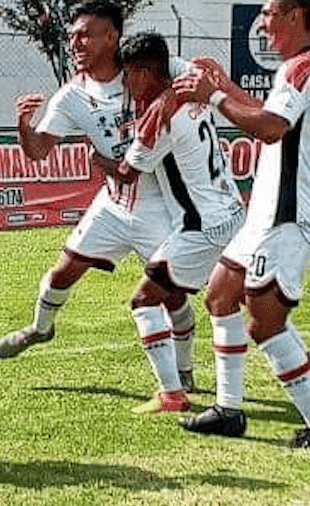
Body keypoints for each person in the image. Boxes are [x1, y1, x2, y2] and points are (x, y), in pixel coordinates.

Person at [0, 1, 195, 403]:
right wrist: (23, 126)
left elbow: (199, 79)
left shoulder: (148, 67)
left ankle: (184, 371)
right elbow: (38, 151)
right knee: (63, 271)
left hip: (160, 205)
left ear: (111, 37)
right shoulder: (71, 96)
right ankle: (40, 328)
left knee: (171, 295)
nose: (75, 42)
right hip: (114, 203)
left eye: (85, 34)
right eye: (72, 36)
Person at [173, 0, 310, 449]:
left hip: (287, 219)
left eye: (269, 13)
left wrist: (214, 96)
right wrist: (222, 85)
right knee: (221, 295)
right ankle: (229, 410)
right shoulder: (298, 68)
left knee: (264, 324)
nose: (262, 22)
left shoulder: (301, 71)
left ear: (294, 16)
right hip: (265, 215)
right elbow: (269, 117)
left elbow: (268, 128)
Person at [106, 32, 245, 414]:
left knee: (144, 300)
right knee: (247, 300)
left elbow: (127, 173)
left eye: (130, 74)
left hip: (204, 227)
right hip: (232, 212)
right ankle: (304, 361)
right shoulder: (188, 91)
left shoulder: (160, 117)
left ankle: (172, 394)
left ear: (147, 72)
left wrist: (97, 158)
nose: (126, 83)